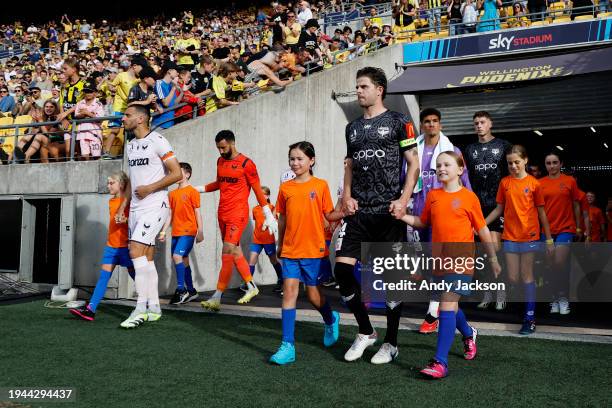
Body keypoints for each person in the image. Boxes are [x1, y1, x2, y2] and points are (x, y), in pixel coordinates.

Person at [335, 67, 419, 364]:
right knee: (342, 271)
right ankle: (366, 330)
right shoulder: (352, 128)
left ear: (379, 89)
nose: (358, 91)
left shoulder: (399, 121)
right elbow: (349, 165)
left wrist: (403, 199)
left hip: (388, 214)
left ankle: (391, 342)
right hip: (358, 213)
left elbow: (414, 164)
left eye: (363, 86)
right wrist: (346, 196)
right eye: (357, 86)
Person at [397, 151, 501, 379]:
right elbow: (422, 222)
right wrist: (402, 215)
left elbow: (483, 230)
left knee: (445, 305)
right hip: (439, 261)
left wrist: (492, 258)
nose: (441, 168)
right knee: (450, 307)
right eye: (438, 165)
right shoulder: (433, 196)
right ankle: (468, 333)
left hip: (462, 261)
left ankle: (440, 362)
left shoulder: (469, 198)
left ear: (460, 169)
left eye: (446, 164)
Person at [269, 141, 344, 365]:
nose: (295, 163)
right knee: (289, 292)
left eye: (300, 158)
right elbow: (282, 218)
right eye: (292, 159)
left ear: (311, 161)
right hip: (291, 249)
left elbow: (329, 214)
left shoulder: (320, 185)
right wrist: (280, 244)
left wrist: (344, 212)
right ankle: (287, 345)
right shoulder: (286, 188)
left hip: (313, 249)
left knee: (313, 296)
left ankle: (331, 319)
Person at [116, 105, 182, 328]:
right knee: (147, 258)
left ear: (141, 118)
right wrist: (123, 206)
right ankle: (154, 307)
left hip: (155, 204)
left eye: (127, 115)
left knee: (135, 251)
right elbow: (132, 181)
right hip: (136, 207)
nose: (123, 118)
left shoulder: (158, 140)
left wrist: (150, 188)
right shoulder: (131, 145)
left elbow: (177, 173)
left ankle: (139, 308)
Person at [199, 130, 278, 311]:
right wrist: (199, 189)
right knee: (235, 252)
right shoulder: (220, 161)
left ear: (232, 144)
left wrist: (268, 214)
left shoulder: (246, 164)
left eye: (223, 147)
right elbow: (219, 183)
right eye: (218, 148)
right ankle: (251, 286)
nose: (220, 151)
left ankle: (217, 296)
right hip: (222, 213)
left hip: (238, 214)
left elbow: (258, 190)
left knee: (227, 251)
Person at [413, 108, 472, 334]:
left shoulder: (452, 150)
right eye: (426, 121)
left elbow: (464, 181)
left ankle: (432, 314)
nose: (430, 125)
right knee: (428, 270)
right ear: (421, 125)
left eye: (434, 121)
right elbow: (405, 178)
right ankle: (440, 313)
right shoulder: (413, 149)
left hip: (444, 218)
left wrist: (468, 211)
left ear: (440, 124)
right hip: (419, 215)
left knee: (440, 273)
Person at [485, 145, 553, 335]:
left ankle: (529, 318)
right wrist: (481, 224)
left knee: (526, 276)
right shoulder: (505, 183)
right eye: (510, 163)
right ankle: (526, 306)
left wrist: (548, 240)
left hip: (530, 236)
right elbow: (498, 209)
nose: (513, 166)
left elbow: (542, 213)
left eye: (517, 162)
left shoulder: (534, 184)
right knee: (514, 278)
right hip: (510, 237)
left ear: (525, 160)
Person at [69, 172, 135, 321]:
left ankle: (149, 302)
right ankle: (91, 309)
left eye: (112, 183)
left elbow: (136, 221)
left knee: (135, 275)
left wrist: (126, 220)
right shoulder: (111, 201)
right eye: (108, 183)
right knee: (103, 278)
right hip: (111, 246)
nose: (108, 186)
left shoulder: (129, 201)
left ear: (122, 185)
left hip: (126, 247)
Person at [464, 111, 511, 311]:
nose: (479, 126)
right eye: (476, 123)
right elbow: (464, 178)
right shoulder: (469, 149)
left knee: (495, 251)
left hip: (496, 207)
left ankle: (501, 292)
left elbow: (511, 176)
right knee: (482, 254)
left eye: (482, 122)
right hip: (476, 207)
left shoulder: (503, 146)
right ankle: (487, 293)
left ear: (490, 123)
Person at [539, 151, 584, 316]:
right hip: (547, 231)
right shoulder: (539, 183)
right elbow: (538, 209)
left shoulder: (569, 181)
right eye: (548, 163)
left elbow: (576, 205)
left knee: (559, 262)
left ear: (561, 164)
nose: (552, 166)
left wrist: (578, 228)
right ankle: (554, 298)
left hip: (566, 228)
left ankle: (563, 298)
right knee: (551, 265)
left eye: (555, 162)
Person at [159, 162, 203, 305]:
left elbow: (197, 212)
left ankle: (181, 289)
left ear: (187, 175)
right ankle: (191, 290)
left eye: (179, 172)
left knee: (177, 256)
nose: (176, 175)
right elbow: (170, 214)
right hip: (176, 232)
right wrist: (164, 230)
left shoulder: (192, 192)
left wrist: (200, 231)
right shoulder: (172, 194)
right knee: (183, 260)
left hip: (189, 231)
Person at [246, 186, 284, 294]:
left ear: (267, 196)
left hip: (268, 240)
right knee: (252, 261)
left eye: (263, 194)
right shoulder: (255, 209)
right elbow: (257, 223)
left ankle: (281, 280)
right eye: (259, 194)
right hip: (256, 240)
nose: (261, 196)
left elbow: (276, 222)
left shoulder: (272, 208)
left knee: (273, 261)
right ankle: (249, 284)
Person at [74, 81, 104, 161]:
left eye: (90, 91)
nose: (88, 94)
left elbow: (100, 118)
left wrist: (86, 113)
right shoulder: (80, 103)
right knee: (84, 156)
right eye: (86, 91)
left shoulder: (98, 104)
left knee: (96, 156)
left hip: (95, 133)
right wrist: (90, 114)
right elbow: (76, 116)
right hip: (82, 133)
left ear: (95, 92)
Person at [152, 61, 184, 130]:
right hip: (159, 124)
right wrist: (174, 88)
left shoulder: (171, 85)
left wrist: (182, 92)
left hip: (170, 123)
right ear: (169, 71)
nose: (178, 73)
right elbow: (166, 103)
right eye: (176, 71)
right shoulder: (159, 83)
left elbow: (174, 103)